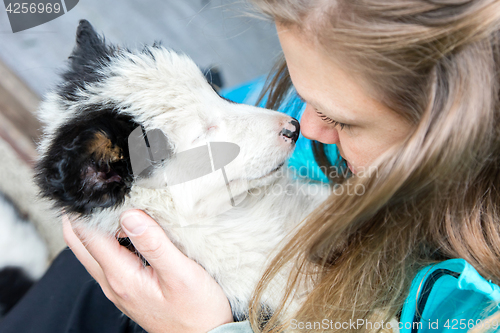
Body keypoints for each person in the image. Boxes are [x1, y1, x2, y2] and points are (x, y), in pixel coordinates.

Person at [2, 0, 500, 332]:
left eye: (344, 122)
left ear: (456, 132)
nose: (299, 123)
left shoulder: (471, 308)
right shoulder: (338, 83)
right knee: (86, 284)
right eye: (302, 93)